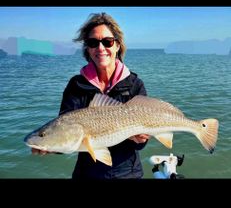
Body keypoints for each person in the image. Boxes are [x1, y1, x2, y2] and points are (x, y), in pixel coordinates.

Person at [32, 12, 150, 179]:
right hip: (87, 174)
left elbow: (140, 144)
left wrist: (141, 140)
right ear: (87, 48)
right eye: (93, 42)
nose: (101, 48)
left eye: (107, 42)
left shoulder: (134, 84)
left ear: (117, 45)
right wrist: (50, 146)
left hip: (128, 173)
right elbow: (67, 133)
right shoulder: (76, 86)